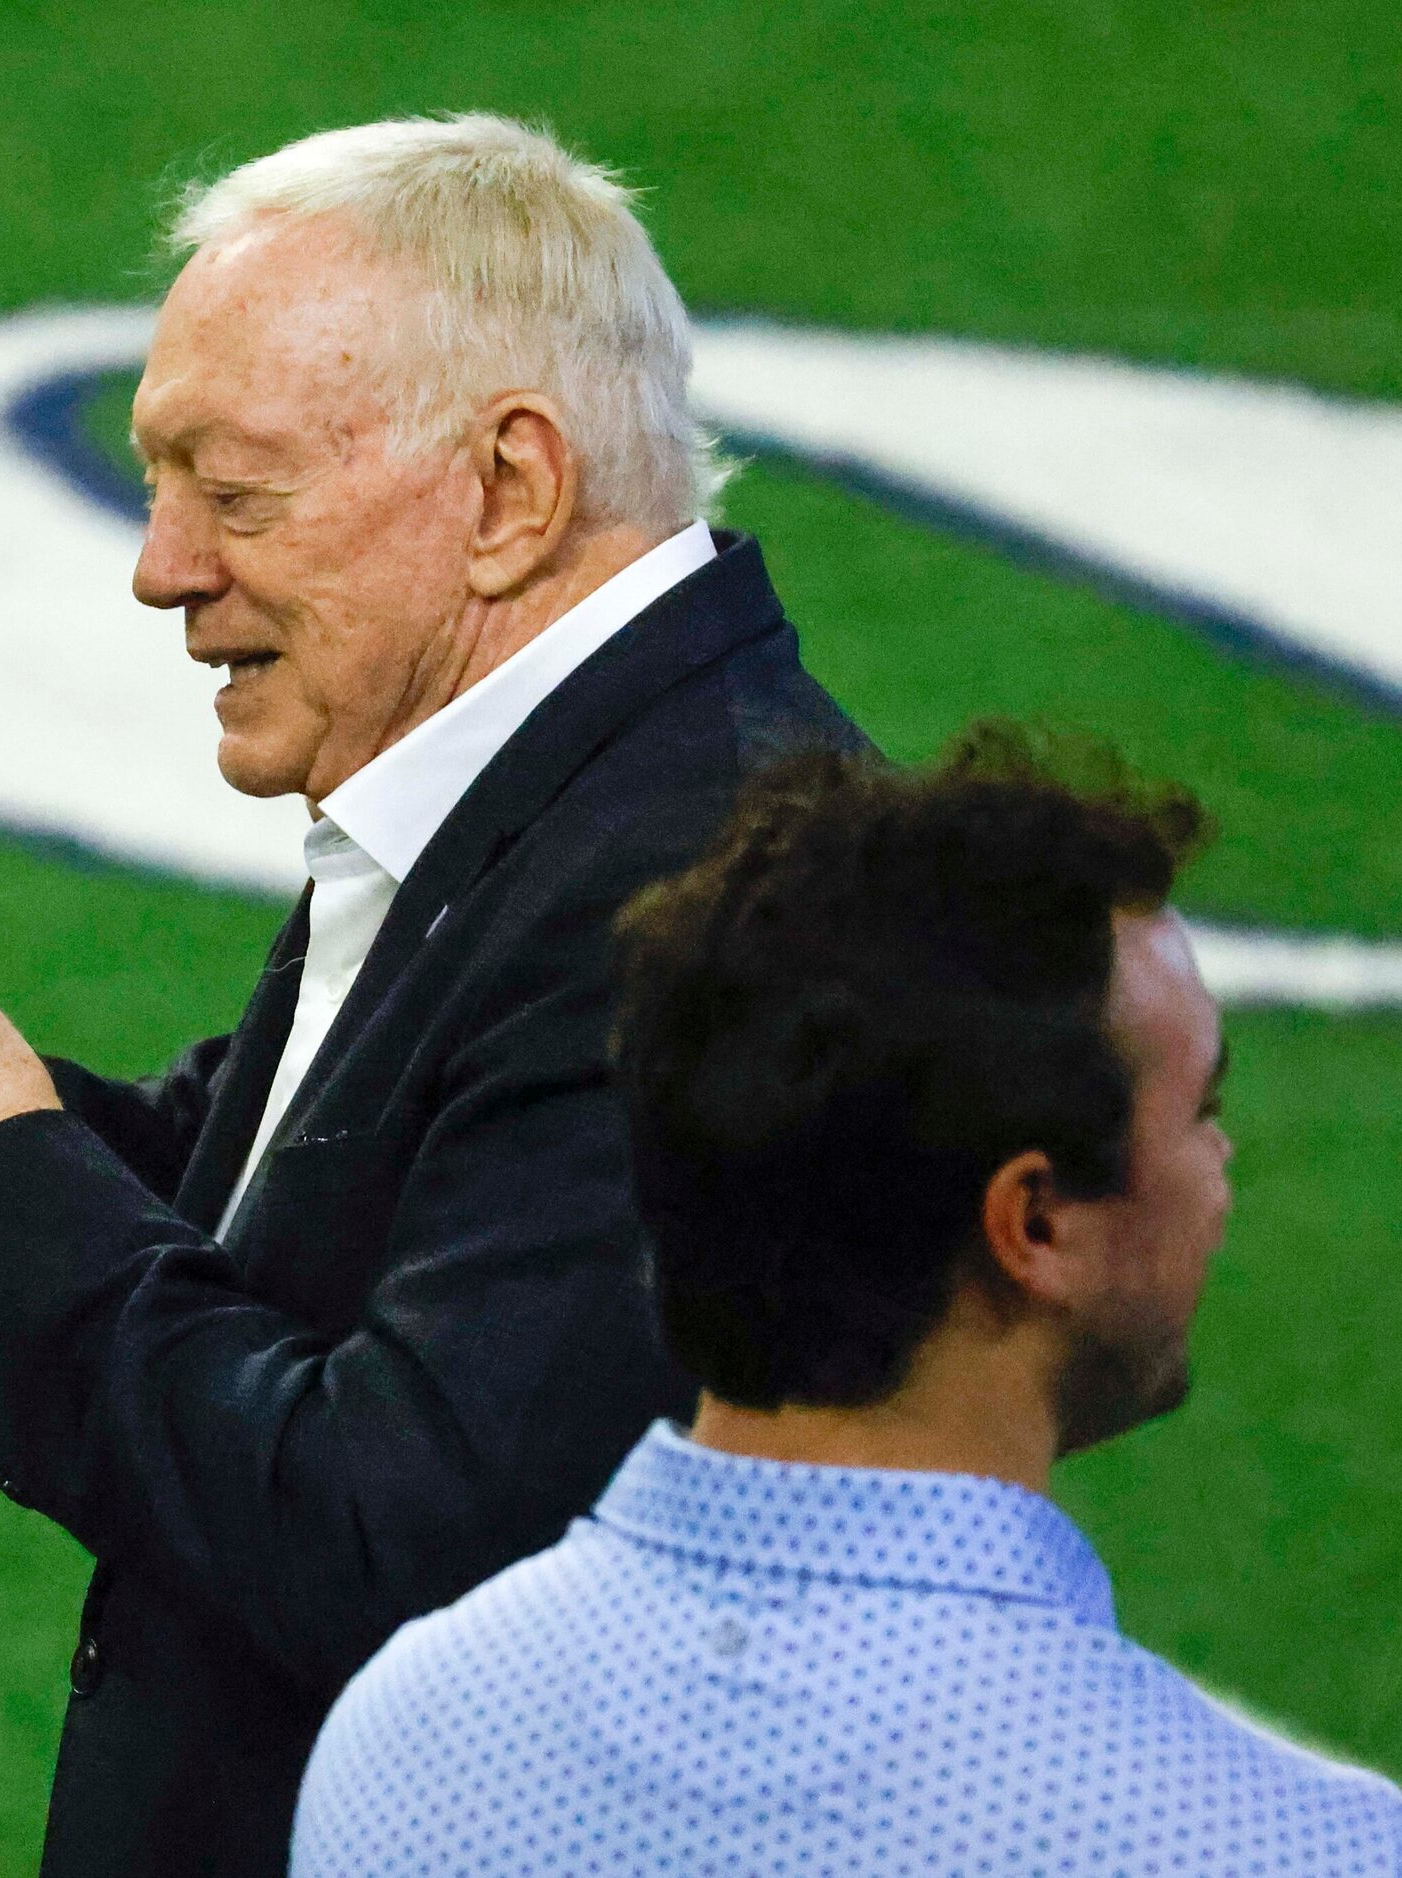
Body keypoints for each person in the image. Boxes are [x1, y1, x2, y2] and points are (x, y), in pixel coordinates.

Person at [0, 114, 866, 1875]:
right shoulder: (567, 785)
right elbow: (260, 1196)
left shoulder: (708, 892)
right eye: (157, 484)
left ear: (509, 490)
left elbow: (389, 1536)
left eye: (236, 491)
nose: (162, 566)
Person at [293, 731, 1402, 1875]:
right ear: (1034, 1225)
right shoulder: (1286, 1847)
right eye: (1197, 1112)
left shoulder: (398, 1745)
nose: (1221, 1167)